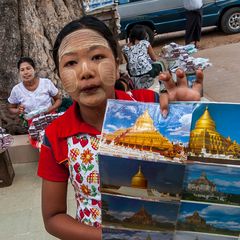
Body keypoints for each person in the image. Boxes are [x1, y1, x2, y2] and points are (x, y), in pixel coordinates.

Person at [37, 16, 203, 240]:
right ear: (60, 77)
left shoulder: (152, 106)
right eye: (71, 63)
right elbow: (53, 217)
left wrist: (188, 114)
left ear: (116, 65)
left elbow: (201, 170)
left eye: (97, 57)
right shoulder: (56, 135)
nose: (85, 71)